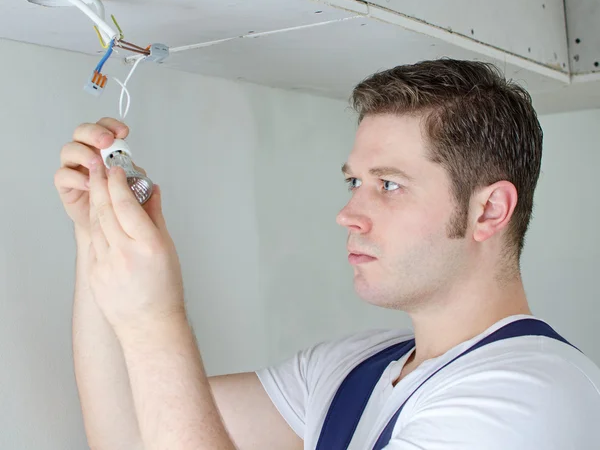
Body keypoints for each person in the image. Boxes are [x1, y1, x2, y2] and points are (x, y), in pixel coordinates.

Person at [55, 59, 600, 450]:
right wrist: (94, 232)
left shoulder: (531, 398)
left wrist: (156, 320)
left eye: (388, 185)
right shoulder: (350, 370)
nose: (349, 214)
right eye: (354, 182)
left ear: (489, 211)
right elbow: (131, 429)